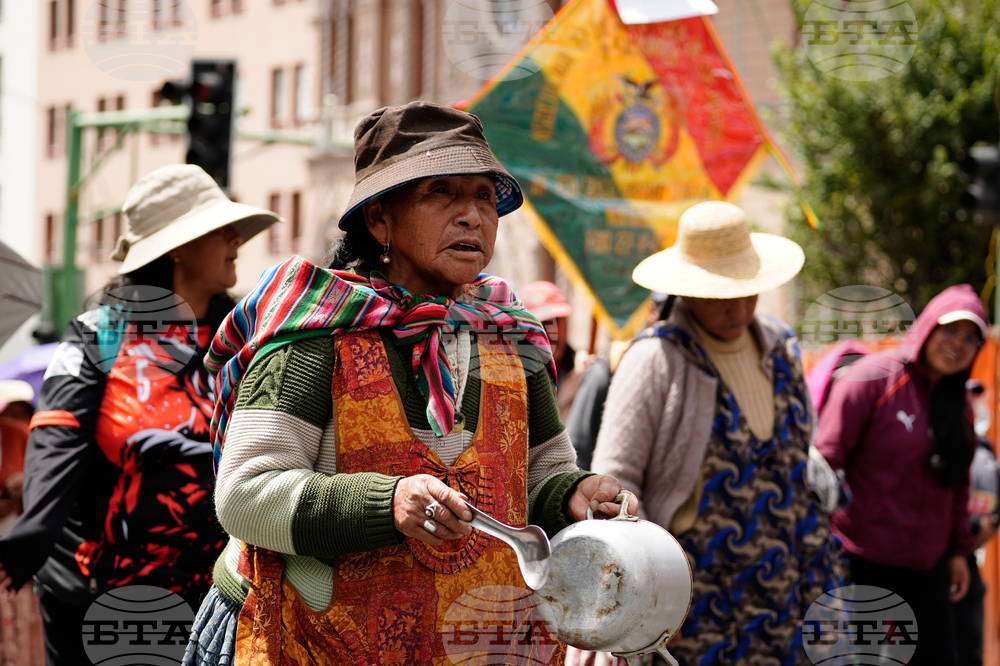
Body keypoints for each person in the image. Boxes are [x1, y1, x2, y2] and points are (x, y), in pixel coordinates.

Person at [182, 101, 634, 666]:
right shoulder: (317, 331)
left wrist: (571, 493)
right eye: (441, 192)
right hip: (307, 640)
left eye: (484, 196)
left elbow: (538, 473)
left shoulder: (509, 336)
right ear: (380, 220)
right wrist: (387, 502)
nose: (472, 215)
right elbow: (245, 496)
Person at [0, 164, 281, 664]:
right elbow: (57, 438)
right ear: (177, 246)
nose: (237, 238)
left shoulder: (250, 334)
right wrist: (30, 537)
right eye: (220, 228)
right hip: (100, 598)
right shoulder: (96, 335)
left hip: (220, 598)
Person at [590, 201, 843, 665]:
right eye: (721, 294)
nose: (739, 307)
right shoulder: (655, 360)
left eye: (748, 291)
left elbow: (799, 455)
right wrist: (648, 601)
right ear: (686, 291)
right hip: (700, 602)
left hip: (793, 588)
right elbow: (615, 485)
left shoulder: (781, 348)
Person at [814, 284, 987, 665]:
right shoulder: (873, 379)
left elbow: (957, 486)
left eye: (971, 338)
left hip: (928, 568)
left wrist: (959, 552)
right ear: (927, 327)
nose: (958, 344)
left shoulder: (959, 405)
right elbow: (823, 466)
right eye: (951, 330)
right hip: (861, 563)